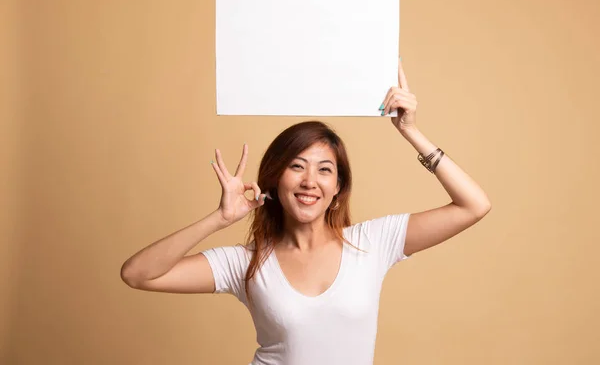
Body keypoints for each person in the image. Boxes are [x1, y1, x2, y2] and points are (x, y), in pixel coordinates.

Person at [120, 59, 491, 364]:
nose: (310, 181)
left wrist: (410, 130)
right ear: (275, 179)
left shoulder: (372, 243)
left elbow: (474, 205)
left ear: (337, 189)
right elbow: (138, 274)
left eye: (324, 169)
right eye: (297, 166)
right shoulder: (245, 263)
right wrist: (218, 219)